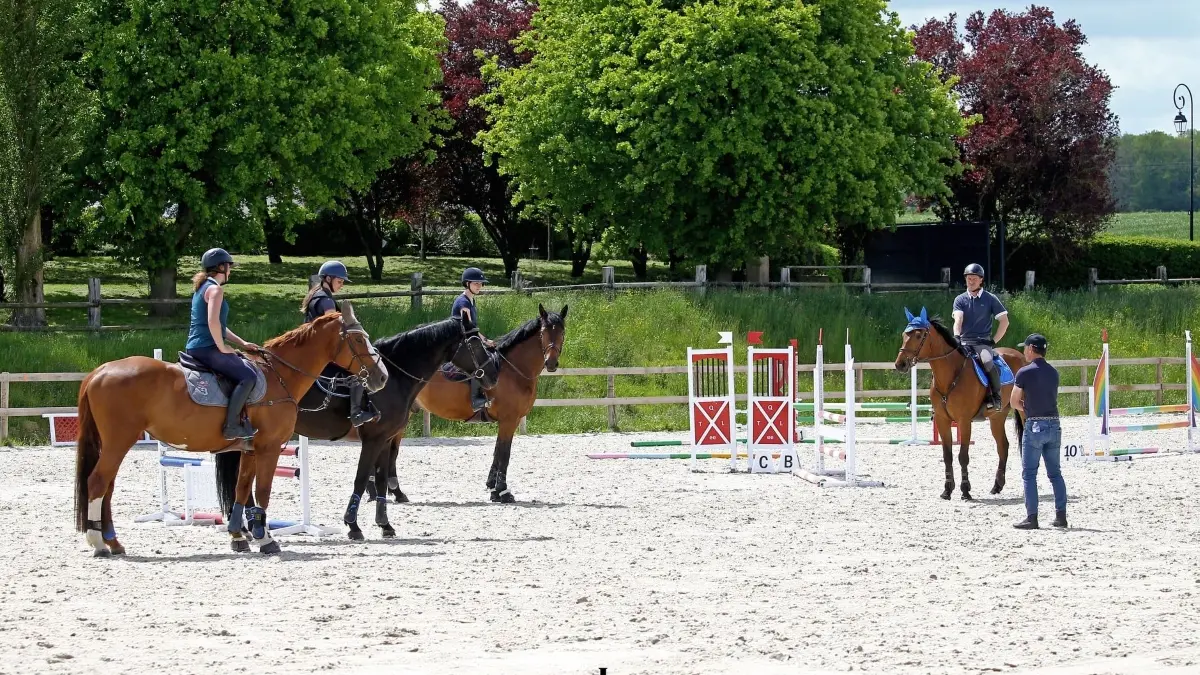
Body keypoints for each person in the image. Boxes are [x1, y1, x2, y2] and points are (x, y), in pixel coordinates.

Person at [185, 248, 261, 440]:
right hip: (207, 348)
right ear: (221, 267)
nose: (231, 271)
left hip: (197, 346)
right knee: (248, 376)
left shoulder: (203, 288)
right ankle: (231, 426)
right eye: (229, 267)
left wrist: (242, 342)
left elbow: (219, 325)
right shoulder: (215, 289)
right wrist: (222, 348)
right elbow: (212, 322)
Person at [301, 260, 380, 427]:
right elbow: (334, 327)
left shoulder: (317, 295)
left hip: (312, 349)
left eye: (343, 281)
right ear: (327, 279)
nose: (342, 285)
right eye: (339, 281)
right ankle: (356, 413)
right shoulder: (326, 301)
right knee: (359, 370)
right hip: (323, 352)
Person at [1010, 333, 1067, 530]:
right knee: (1055, 474)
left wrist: (1027, 408)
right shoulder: (1053, 372)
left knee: (1029, 474)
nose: (1024, 351)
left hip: (1035, 425)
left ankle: (1032, 517)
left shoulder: (1024, 373)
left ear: (1032, 349)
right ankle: (1061, 516)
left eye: (1025, 348)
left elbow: (1014, 402)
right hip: (1054, 424)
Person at [952, 263, 1009, 409]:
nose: (970, 281)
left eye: (974, 279)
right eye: (968, 278)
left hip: (982, 343)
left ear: (981, 280)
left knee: (988, 362)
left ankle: (996, 396)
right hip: (963, 341)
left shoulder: (990, 299)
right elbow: (958, 320)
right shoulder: (960, 299)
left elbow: (1004, 321)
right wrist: (957, 336)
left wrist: (994, 340)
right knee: (947, 362)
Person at [451, 267, 496, 412]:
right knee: (478, 362)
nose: (479, 286)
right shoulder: (463, 303)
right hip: (460, 342)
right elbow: (469, 328)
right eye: (476, 283)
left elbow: (473, 329)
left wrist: (486, 340)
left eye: (481, 283)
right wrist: (484, 341)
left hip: (468, 339)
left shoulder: (471, 301)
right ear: (467, 284)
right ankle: (476, 399)